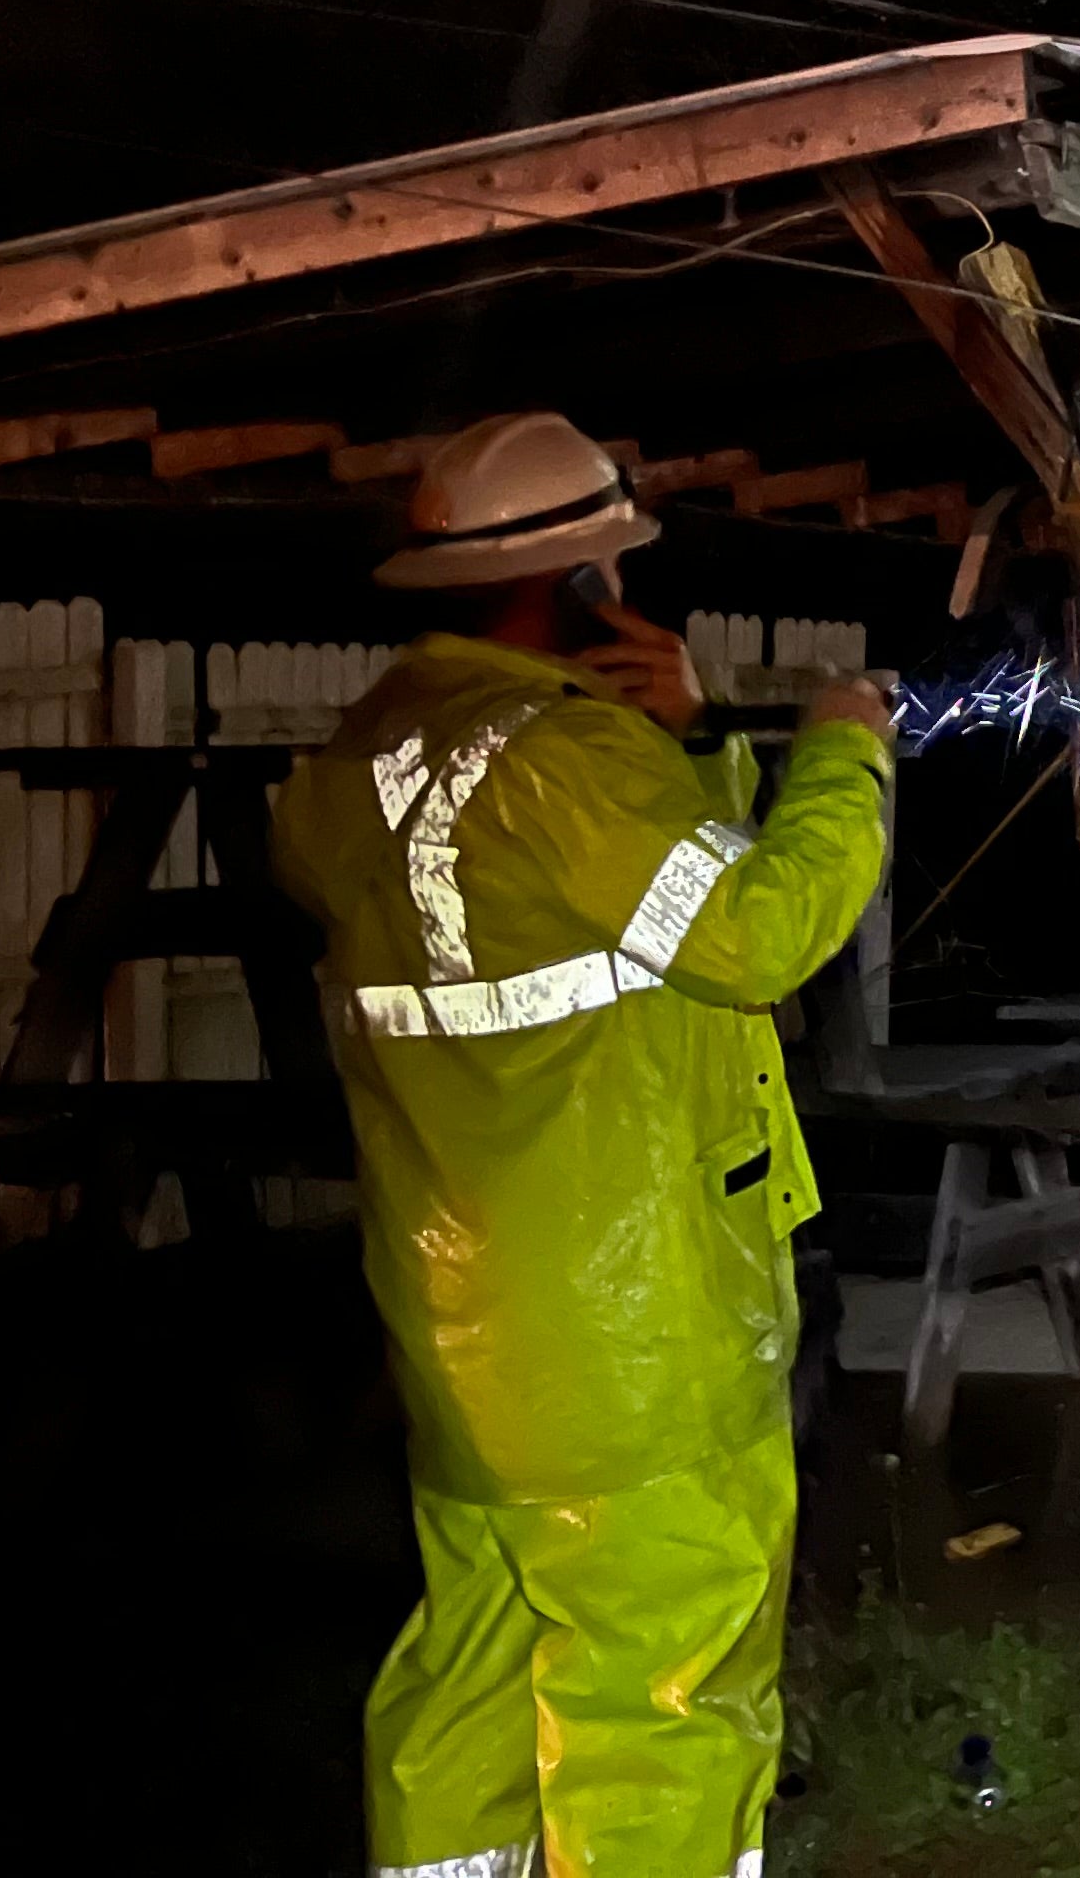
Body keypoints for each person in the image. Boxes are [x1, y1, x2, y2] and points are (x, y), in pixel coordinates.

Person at [276, 410, 896, 1878]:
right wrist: (843, 756)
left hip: (467, 1352)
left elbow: (632, 911)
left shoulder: (360, 766)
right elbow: (757, 935)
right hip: (641, 1349)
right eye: (616, 572)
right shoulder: (573, 764)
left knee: (471, 1685)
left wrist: (679, 741)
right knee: (666, 1700)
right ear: (586, 590)